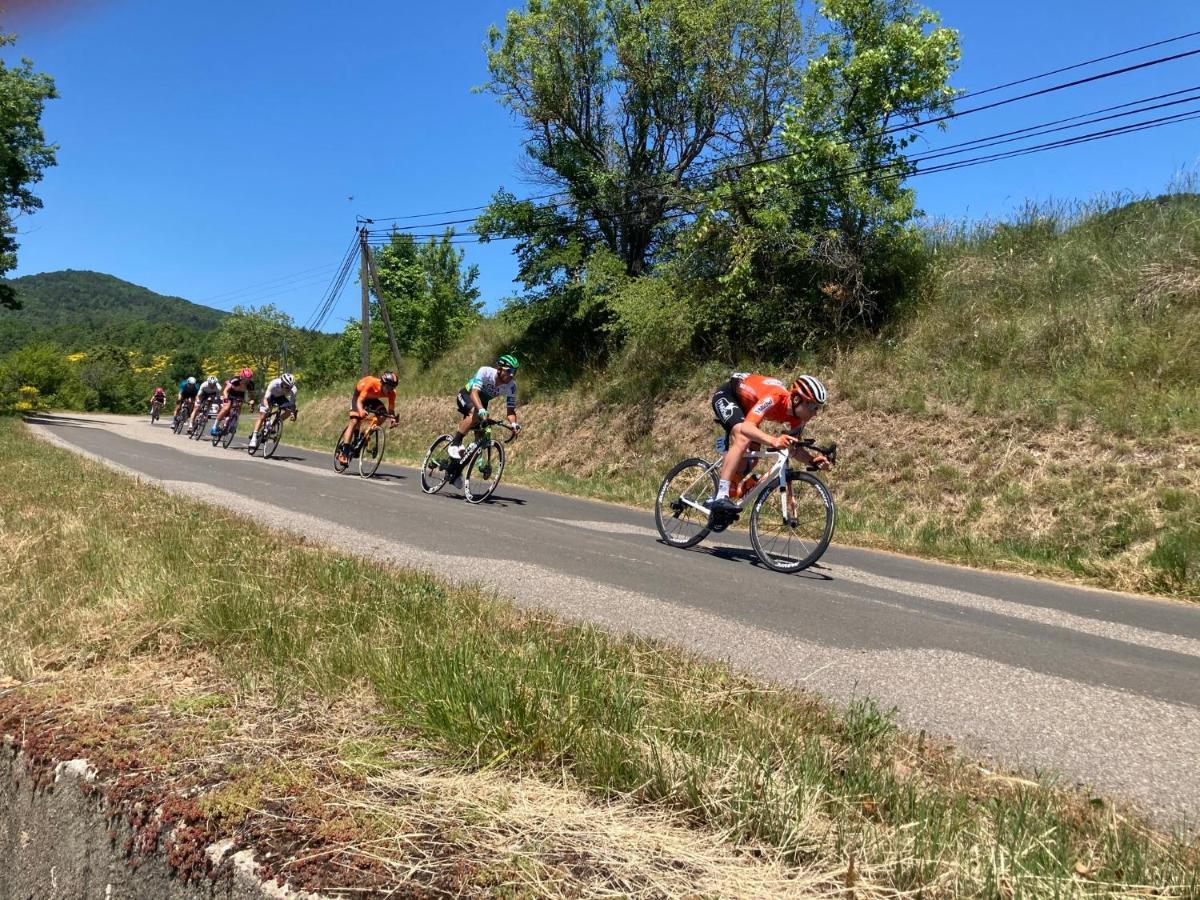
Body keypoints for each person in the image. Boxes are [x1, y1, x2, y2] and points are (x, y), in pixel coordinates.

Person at [706, 372, 832, 515]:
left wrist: (813, 461)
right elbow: (747, 427)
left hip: (748, 407)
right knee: (743, 437)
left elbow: (793, 450)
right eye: (812, 406)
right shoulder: (774, 398)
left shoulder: (798, 419)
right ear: (797, 399)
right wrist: (774, 440)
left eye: (817, 408)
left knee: (753, 457)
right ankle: (720, 496)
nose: (815, 413)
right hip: (729, 396)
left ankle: (731, 488)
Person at [446, 354, 522, 460]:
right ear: (499, 369)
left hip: (481, 403)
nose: (512, 374)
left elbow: (510, 410)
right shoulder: (485, 371)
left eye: (514, 371)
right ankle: (455, 444)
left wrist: (514, 424)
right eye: (509, 371)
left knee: (482, 431)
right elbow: (474, 393)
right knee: (475, 413)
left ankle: (458, 468)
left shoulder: (512, 386)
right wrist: (481, 410)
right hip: (467, 395)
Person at [336, 371, 398, 465]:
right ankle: (344, 452)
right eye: (388, 387)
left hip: (372, 399)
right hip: (359, 396)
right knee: (354, 420)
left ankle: (366, 433)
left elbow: (390, 410)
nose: (390, 390)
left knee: (382, 415)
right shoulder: (371, 383)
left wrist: (392, 419)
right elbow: (360, 401)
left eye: (392, 387)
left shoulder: (392, 393)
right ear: (382, 383)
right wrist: (360, 411)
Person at [248, 373, 298, 451]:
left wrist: (292, 413)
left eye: (290, 387)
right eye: (287, 386)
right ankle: (254, 436)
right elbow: (265, 399)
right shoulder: (274, 383)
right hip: (270, 396)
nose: (288, 389)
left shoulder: (293, 389)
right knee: (263, 415)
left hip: (280, 397)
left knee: (288, 410)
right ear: (282, 383)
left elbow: (292, 403)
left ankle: (275, 422)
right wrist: (267, 407)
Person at [211, 368, 255, 436]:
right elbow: (225, 391)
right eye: (245, 378)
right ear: (241, 376)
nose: (246, 381)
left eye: (248, 379)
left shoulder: (251, 384)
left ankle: (234, 424)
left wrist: (251, 402)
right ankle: (214, 426)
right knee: (226, 407)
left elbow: (251, 396)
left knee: (239, 407)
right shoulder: (235, 380)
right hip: (231, 393)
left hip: (240, 394)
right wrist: (225, 399)